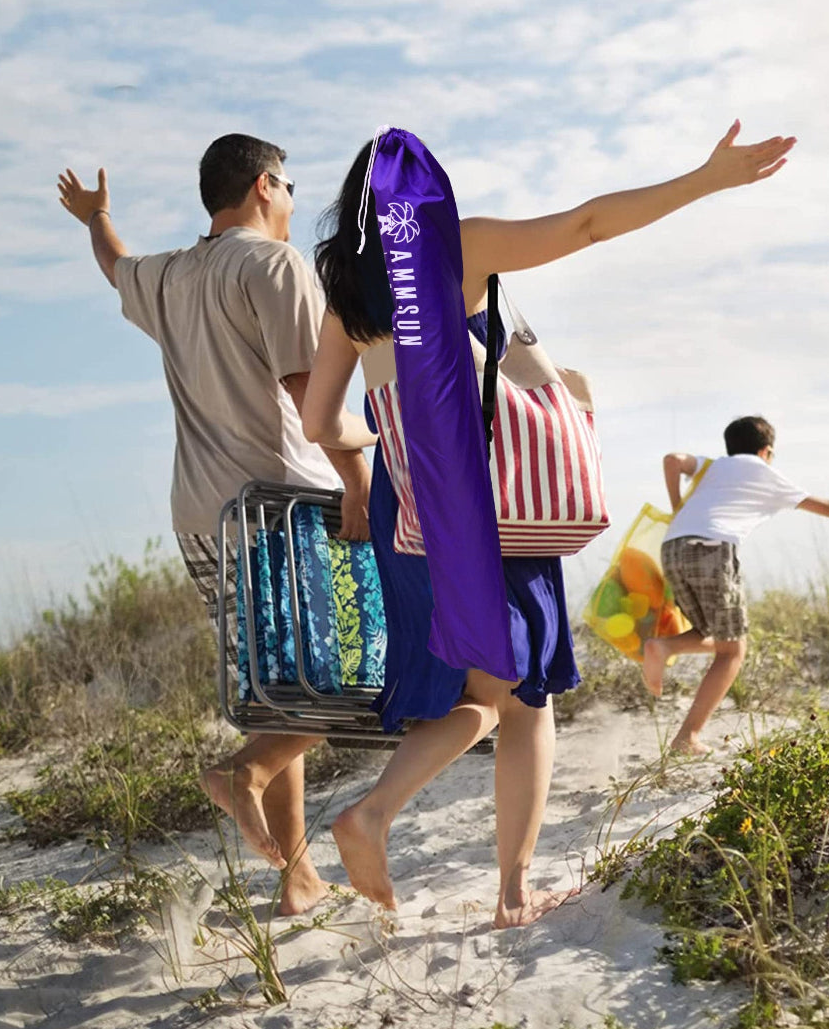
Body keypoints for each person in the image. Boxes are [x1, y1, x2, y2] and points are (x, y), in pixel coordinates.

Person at [302, 121, 797, 926]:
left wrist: (391, 430)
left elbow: (323, 422)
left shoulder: (349, 297)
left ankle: (378, 814)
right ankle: (504, 890)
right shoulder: (456, 246)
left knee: (480, 696)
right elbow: (587, 224)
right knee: (526, 700)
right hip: (491, 508)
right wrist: (705, 180)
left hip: (415, 516)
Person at [57, 134, 374, 915]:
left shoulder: (166, 274)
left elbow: (113, 265)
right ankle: (246, 774)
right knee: (362, 673)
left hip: (204, 516)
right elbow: (316, 403)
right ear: (265, 185)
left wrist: (96, 218)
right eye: (291, 186)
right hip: (284, 505)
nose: (296, 202)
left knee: (281, 692)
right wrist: (363, 486)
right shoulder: (273, 266)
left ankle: (296, 875)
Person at [642, 415, 829, 753]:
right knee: (733, 651)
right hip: (714, 548)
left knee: (712, 632)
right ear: (766, 451)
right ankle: (686, 736)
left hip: (673, 547)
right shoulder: (763, 472)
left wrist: (678, 506)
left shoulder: (714, 466)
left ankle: (666, 648)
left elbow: (672, 460)